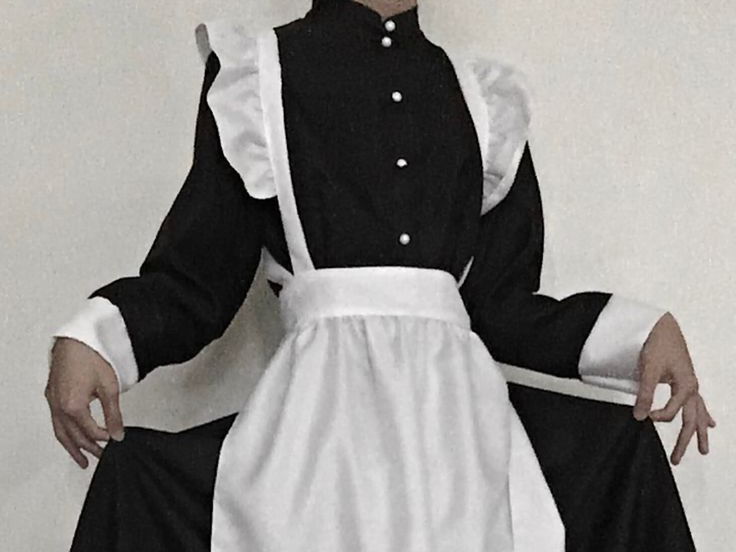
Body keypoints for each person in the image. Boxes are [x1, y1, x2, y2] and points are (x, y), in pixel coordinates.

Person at [45, 0, 715, 550]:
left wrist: (638, 333)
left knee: (616, 460)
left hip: (460, 434)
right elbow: (198, 277)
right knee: (151, 491)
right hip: (319, 427)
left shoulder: (478, 97)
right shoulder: (261, 75)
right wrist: (96, 338)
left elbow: (501, 306)